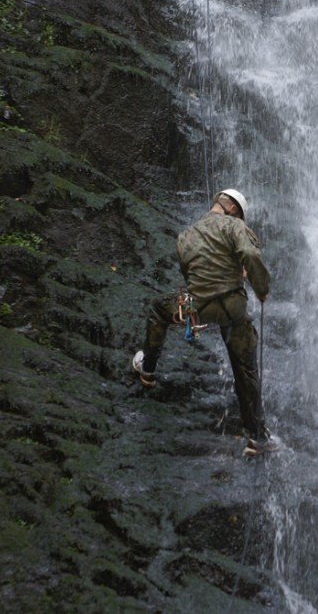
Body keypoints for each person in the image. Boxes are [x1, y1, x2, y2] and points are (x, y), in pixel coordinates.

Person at [133, 189, 273, 450]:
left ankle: (148, 370)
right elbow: (250, 255)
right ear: (232, 208)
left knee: (157, 309)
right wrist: (261, 288)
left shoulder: (185, 236)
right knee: (245, 367)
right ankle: (257, 436)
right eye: (240, 215)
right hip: (233, 307)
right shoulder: (234, 226)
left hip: (197, 307)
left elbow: (192, 273)